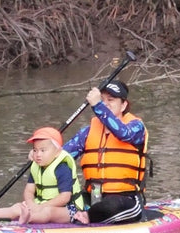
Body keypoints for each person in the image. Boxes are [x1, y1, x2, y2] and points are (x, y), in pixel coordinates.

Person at [63, 80, 148, 225]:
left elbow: (123, 133)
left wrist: (98, 105)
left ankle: (85, 217)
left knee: (110, 206)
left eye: (111, 100)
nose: (105, 103)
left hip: (125, 199)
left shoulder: (136, 127)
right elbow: (62, 156)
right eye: (102, 99)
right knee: (61, 199)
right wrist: (42, 152)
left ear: (123, 105)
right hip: (93, 197)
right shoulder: (89, 131)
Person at [0, 127, 83, 224]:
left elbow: (64, 197)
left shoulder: (62, 168)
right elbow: (29, 191)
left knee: (48, 212)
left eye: (43, 150)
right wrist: (30, 204)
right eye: (35, 150)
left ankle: (29, 217)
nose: (38, 155)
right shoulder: (36, 166)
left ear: (57, 152)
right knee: (18, 207)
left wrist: (40, 207)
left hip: (70, 210)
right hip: (42, 205)